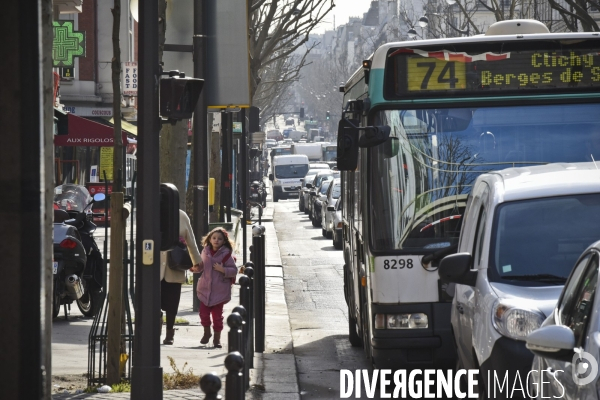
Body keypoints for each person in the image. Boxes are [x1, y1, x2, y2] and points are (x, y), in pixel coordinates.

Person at [190, 227, 238, 348]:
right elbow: (201, 266)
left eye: (220, 239)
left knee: (217, 317)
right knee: (203, 314)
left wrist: (223, 270)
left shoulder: (226, 254)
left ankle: (217, 338)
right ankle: (207, 333)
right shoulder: (205, 252)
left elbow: (234, 270)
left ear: (224, 241)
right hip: (205, 289)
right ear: (209, 239)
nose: (216, 240)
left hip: (219, 291)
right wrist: (194, 268)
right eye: (214, 238)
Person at [159, 209, 201, 345]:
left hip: (174, 267)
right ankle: (156, 326)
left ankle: (170, 332)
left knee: (172, 304)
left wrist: (197, 261)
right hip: (154, 268)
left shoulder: (181, 215)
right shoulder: (150, 211)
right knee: (154, 302)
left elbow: (191, 240)